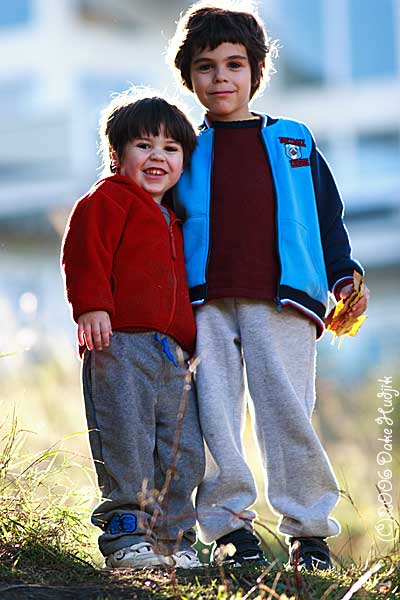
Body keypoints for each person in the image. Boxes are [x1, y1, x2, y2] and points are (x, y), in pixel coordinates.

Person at [167, 2, 370, 570]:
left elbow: (326, 215)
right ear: (189, 77)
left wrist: (343, 273)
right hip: (203, 301)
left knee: (288, 414)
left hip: (284, 300)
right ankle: (231, 532)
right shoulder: (182, 145)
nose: (221, 77)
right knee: (214, 417)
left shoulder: (294, 140)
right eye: (205, 67)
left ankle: (309, 534)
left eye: (234, 64)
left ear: (257, 71)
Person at [61, 93, 205, 570]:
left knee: (182, 450)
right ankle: (127, 535)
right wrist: (92, 308)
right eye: (144, 146)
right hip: (119, 344)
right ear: (118, 154)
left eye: (171, 149)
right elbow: (85, 254)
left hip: (173, 356)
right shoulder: (108, 199)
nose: (157, 157)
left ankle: (174, 539)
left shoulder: (177, 219)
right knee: (127, 438)